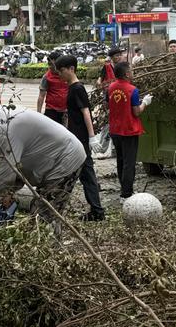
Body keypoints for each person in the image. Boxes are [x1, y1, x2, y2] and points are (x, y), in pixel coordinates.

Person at [0, 101, 86, 235]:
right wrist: (8, 193)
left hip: (66, 159)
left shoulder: (4, 128)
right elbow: (15, 169)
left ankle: (53, 250)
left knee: (42, 218)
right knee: (41, 216)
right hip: (53, 161)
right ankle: (51, 246)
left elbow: (6, 178)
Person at [55, 54, 105, 221]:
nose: (60, 74)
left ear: (71, 69)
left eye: (61, 70)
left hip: (81, 138)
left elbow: (86, 113)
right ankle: (95, 210)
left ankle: (97, 211)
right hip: (75, 137)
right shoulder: (72, 87)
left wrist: (92, 137)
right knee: (82, 173)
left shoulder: (77, 88)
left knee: (86, 173)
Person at [108, 62, 152, 202]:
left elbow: (109, 104)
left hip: (115, 130)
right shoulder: (132, 90)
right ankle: (126, 194)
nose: (133, 72)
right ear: (127, 74)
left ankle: (124, 190)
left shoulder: (110, 87)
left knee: (121, 160)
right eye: (131, 71)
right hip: (128, 130)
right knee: (129, 163)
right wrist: (145, 102)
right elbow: (136, 112)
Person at [95, 47, 126, 156]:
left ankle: (115, 150)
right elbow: (100, 78)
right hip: (108, 96)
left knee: (118, 123)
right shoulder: (107, 67)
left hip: (120, 97)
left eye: (119, 55)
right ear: (112, 57)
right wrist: (99, 84)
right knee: (107, 123)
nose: (118, 57)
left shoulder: (123, 66)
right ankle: (102, 150)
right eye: (116, 55)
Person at [37, 51, 68, 125]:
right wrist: (38, 114)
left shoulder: (67, 76)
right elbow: (41, 96)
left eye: (52, 64)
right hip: (51, 111)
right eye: (49, 64)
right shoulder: (46, 77)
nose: (50, 67)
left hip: (66, 112)